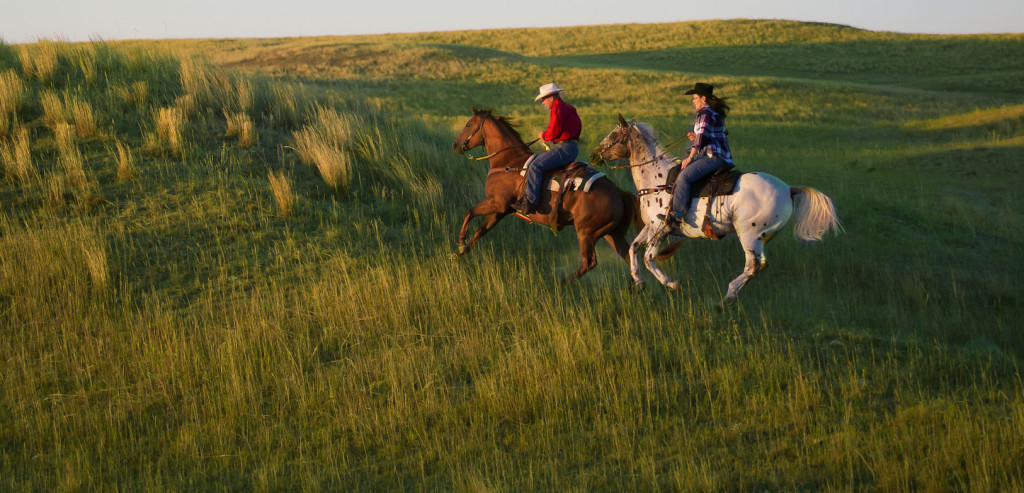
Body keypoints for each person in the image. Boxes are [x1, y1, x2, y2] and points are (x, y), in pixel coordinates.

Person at [661, 82, 734, 225]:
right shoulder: (712, 113)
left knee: (683, 177)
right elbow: (706, 136)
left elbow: (701, 139)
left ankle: (678, 214)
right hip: (718, 154)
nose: (693, 101)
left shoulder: (704, 113)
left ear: (703, 99)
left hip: (713, 156)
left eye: (695, 98)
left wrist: (690, 157)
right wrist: (696, 138)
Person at [512, 82, 582, 215]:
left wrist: (544, 135)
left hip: (564, 149)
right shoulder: (568, 108)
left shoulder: (557, 108)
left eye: (543, 99)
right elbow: (575, 128)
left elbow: (553, 131)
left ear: (551, 97)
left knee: (535, 166)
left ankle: (531, 203)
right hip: (571, 147)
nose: (543, 103)